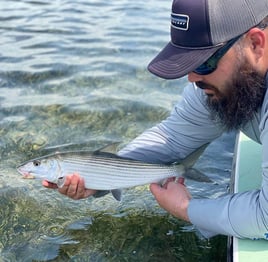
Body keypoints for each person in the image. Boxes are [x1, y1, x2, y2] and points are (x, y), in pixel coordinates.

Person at [43, 0, 268, 240]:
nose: (191, 77)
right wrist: (99, 174)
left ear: (255, 44)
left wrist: (186, 209)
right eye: (188, 63)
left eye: (203, 63)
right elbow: (171, 138)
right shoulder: (212, 85)